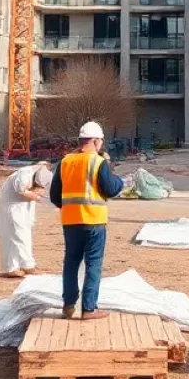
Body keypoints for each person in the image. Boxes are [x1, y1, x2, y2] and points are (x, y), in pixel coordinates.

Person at [49, 121, 123, 320]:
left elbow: (55, 196)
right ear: (97, 141)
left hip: (70, 221)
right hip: (93, 220)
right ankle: (89, 308)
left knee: (71, 262)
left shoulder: (65, 162)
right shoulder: (97, 162)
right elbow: (111, 188)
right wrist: (117, 177)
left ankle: (68, 305)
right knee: (93, 264)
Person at [0, 161, 52, 278]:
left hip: (22, 209)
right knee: (19, 237)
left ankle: (14, 267)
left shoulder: (36, 176)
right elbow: (21, 190)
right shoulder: (24, 173)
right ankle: (27, 265)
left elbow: (41, 190)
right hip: (14, 208)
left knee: (18, 238)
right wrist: (38, 197)